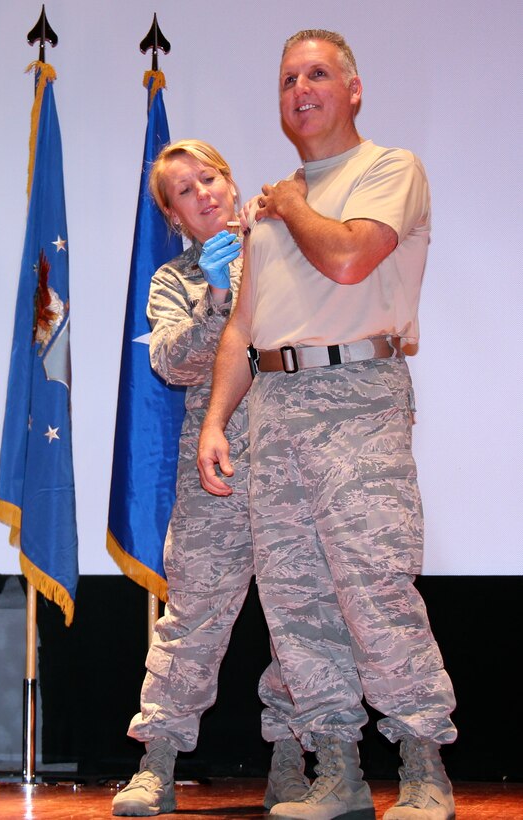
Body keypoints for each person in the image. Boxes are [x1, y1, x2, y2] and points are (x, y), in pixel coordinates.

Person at [197, 29, 456, 820]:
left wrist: (294, 203)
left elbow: (348, 260)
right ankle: (336, 772)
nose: (300, 90)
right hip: (275, 409)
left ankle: (421, 769)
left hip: (358, 397)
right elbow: (242, 331)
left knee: (374, 588)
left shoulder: (388, 170)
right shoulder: (270, 211)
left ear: (353, 89)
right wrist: (216, 423)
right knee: (296, 601)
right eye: (286, 80)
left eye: (316, 75)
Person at [112, 140, 308, 817]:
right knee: (191, 616)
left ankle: (291, 760)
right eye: (186, 191)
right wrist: (217, 294)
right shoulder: (174, 281)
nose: (205, 194)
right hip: (217, 461)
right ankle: (156, 762)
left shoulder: (287, 243)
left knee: (301, 616)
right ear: (174, 215)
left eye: (211, 177)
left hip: (297, 454)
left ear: (230, 179)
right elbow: (172, 363)